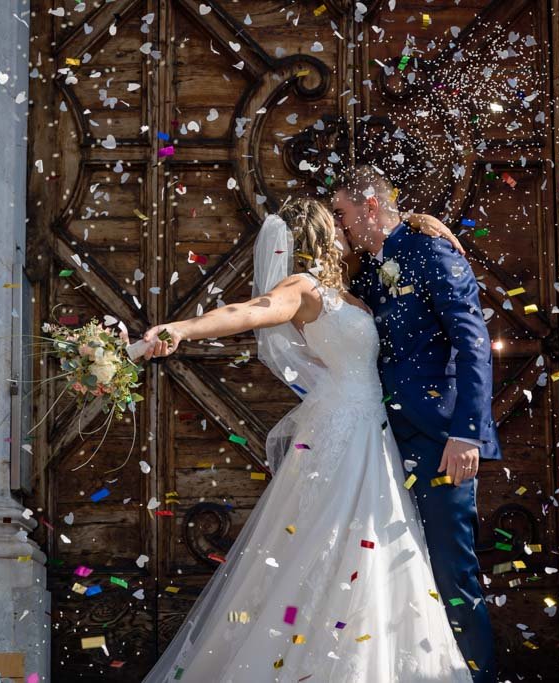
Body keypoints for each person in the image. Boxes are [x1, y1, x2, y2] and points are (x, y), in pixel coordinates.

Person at [136, 198, 474, 682]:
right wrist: (183, 328)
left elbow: (393, 239)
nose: (345, 226)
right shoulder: (301, 287)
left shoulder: (349, 286)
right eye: (336, 220)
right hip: (344, 429)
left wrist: (422, 224)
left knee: (369, 546)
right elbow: (252, 310)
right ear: (318, 235)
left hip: (370, 430)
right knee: (332, 544)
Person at [333, 165, 500, 682]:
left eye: (342, 214)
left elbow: (473, 344)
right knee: (398, 572)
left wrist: (466, 432)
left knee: (453, 572)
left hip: (440, 440)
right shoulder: (367, 270)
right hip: (380, 441)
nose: (340, 226)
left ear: (370, 207)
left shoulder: (434, 253)